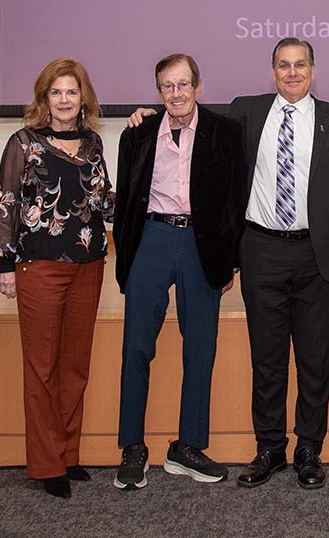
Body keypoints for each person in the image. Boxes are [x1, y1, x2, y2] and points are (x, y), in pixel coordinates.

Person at [112, 54, 245, 489]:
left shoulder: (225, 132)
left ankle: (187, 447)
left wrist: (229, 259)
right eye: (167, 86)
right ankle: (132, 447)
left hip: (199, 245)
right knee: (136, 348)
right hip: (151, 238)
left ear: (198, 86)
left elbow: (234, 201)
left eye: (183, 85)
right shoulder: (138, 132)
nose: (176, 94)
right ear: (158, 91)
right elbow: (125, 199)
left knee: (200, 348)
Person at [231, 39, 329, 488]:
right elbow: (192, 125)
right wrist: (149, 117)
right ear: (272, 71)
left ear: (313, 69)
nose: (291, 73)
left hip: (316, 255)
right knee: (266, 359)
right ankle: (269, 449)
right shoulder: (243, 112)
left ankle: (308, 449)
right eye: (283, 65)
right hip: (261, 250)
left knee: (314, 358)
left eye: (299, 64)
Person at [0, 58, 114, 498]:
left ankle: (68, 454)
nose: (64, 100)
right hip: (38, 267)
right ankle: (45, 465)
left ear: (84, 99)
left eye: (71, 92)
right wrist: (4, 264)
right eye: (55, 93)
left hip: (89, 266)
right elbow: (5, 203)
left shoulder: (94, 144)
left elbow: (102, 202)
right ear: (45, 99)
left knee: (75, 366)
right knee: (41, 368)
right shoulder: (23, 143)